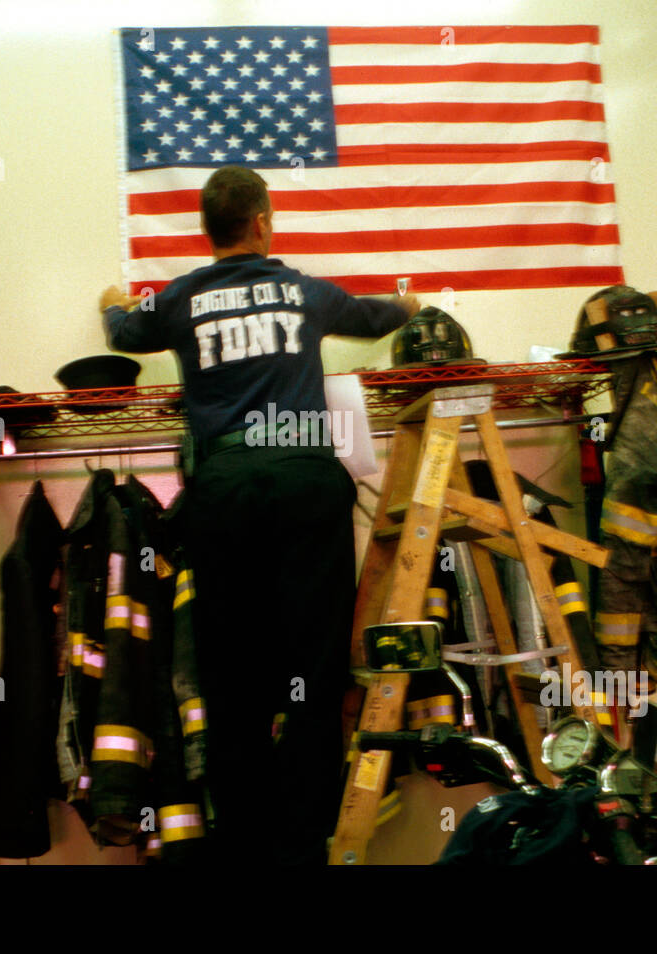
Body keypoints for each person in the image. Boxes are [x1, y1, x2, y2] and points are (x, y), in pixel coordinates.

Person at [99, 166, 418, 865]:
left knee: (231, 672)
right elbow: (376, 316)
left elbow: (126, 330)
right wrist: (411, 305)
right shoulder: (303, 293)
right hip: (304, 482)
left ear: (208, 231)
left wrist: (110, 303)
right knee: (313, 663)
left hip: (226, 491)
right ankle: (305, 840)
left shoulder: (182, 299)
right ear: (264, 223)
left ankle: (242, 841)